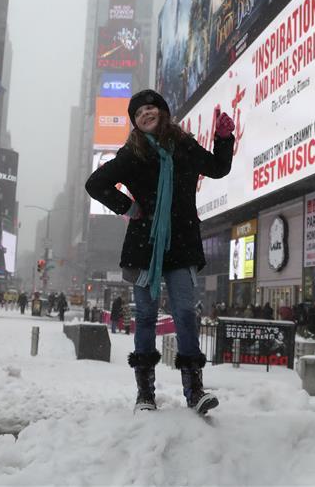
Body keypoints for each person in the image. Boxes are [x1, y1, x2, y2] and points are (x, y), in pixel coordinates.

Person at [85, 88, 234, 414]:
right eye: (139, 113)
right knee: (147, 317)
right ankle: (145, 394)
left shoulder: (183, 146)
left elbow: (218, 168)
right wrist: (128, 206)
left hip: (180, 244)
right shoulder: (132, 154)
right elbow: (95, 184)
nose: (146, 114)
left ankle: (194, 391)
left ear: (162, 112)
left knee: (184, 313)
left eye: (150, 108)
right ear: (136, 123)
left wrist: (224, 139)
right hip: (144, 248)